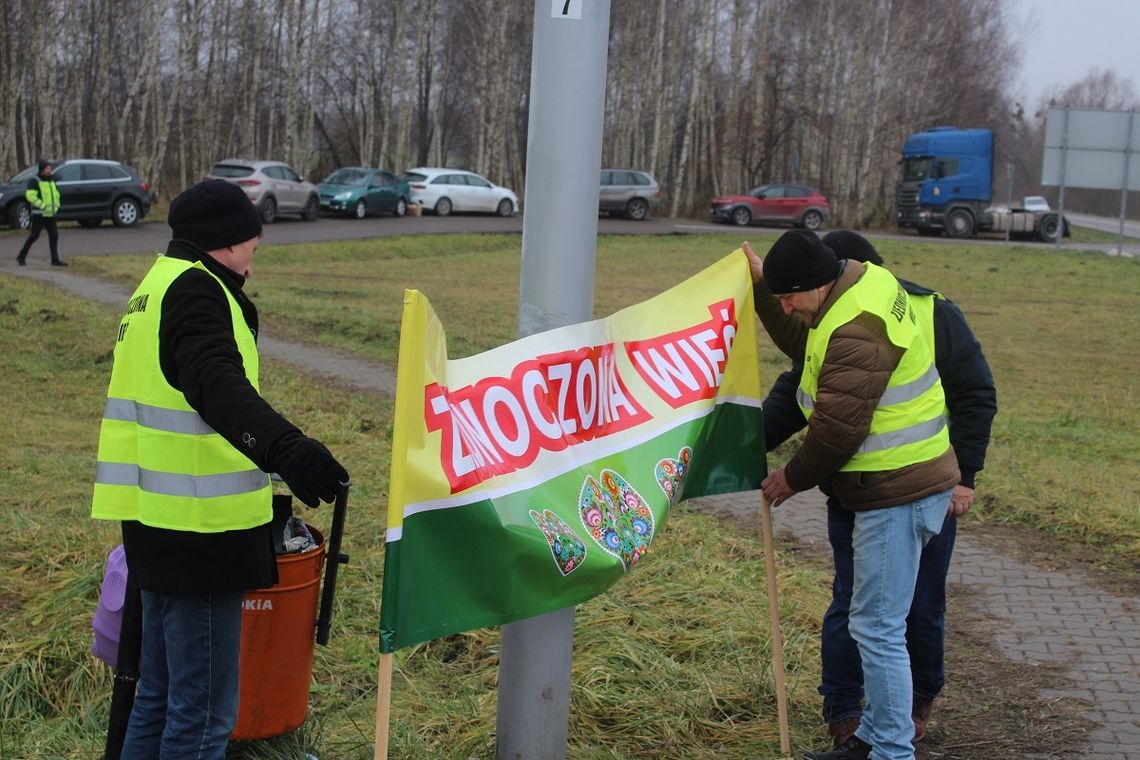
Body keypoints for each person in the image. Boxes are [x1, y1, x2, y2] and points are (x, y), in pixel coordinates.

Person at [91, 179, 349, 759]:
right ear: (223, 242)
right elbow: (215, 382)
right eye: (250, 244)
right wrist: (285, 447)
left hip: (156, 521)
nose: (254, 257)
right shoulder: (197, 292)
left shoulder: (156, 285)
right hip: (198, 532)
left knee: (157, 696)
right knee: (203, 714)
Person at [761, 230, 997, 750]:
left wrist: (789, 478)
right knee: (870, 617)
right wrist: (764, 286)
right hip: (886, 487)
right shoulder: (865, 286)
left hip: (899, 491)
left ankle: (892, 744)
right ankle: (869, 732)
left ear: (817, 283)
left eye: (788, 295)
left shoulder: (856, 328)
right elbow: (801, 350)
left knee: (880, 626)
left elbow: (838, 430)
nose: (785, 307)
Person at [16, 159, 65, 266]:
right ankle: (21, 256)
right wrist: (42, 205)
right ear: (42, 169)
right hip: (40, 214)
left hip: (50, 213)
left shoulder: (51, 180)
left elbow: (55, 193)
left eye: (50, 168)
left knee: (54, 235)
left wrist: (57, 205)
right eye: (47, 168)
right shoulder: (35, 180)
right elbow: (30, 196)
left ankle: (55, 259)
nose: (49, 170)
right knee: (34, 235)